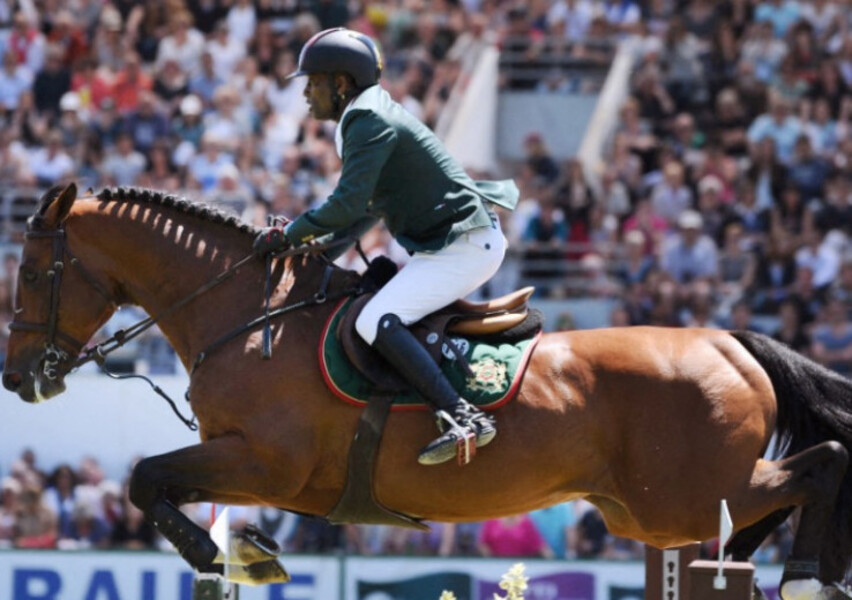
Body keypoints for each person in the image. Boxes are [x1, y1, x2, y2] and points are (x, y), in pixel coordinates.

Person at [251, 28, 519, 466]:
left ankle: (463, 416)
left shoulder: (368, 121)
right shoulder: (363, 115)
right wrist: (315, 252)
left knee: (376, 319)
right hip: (452, 242)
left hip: (465, 245)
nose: (305, 95)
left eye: (313, 82)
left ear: (341, 84)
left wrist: (289, 235)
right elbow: (367, 212)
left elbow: (348, 204)